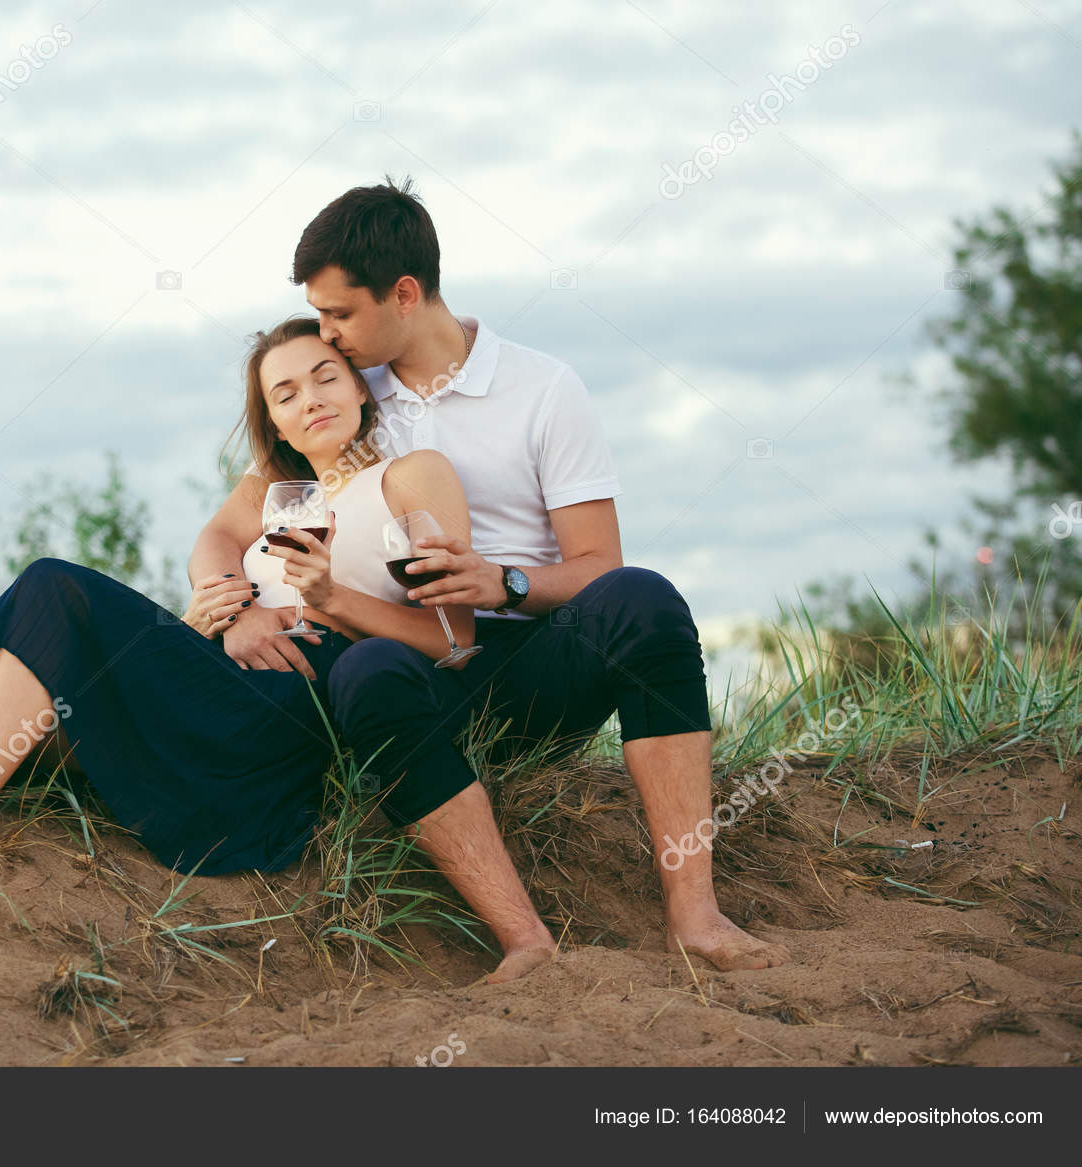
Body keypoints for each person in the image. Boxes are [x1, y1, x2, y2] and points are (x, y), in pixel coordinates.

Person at [0, 316, 562, 983]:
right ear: (273, 421)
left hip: (281, 718)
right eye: (286, 394)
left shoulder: (410, 477)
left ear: (363, 389)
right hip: (215, 685)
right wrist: (232, 613)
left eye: (326, 377)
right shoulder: (274, 489)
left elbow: (456, 640)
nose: (311, 400)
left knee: (51, 588)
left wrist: (333, 600)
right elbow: (212, 544)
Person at [187, 177, 791, 972]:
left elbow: (596, 567)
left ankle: (697, 917)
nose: (325, 336)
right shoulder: (339, 392)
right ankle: (525, 941)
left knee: (644, 598)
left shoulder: (543, 389)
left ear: (403, 294)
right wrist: (232, 608)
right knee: (369, 669)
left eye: (340, 314)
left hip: (530, 663)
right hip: (406, 662)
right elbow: (240, 515)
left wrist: (501, 583)